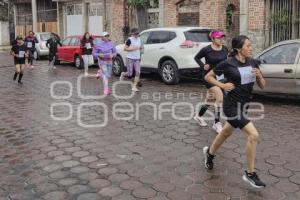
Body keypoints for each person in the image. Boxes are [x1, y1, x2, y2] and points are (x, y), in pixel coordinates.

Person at [203, 35, 266, 188]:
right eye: (248, 46)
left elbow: (263, 85)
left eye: (251, 46)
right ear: (239, 49)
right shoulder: (228, 63)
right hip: (231, 106)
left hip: (245, 105)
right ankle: (250, 173)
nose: (251, 48)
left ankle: (209, 154)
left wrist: (258, 77)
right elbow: (208, 76)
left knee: (225, 133)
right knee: (253, 135)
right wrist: (222, 86)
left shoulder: (253, 62)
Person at [194, 31, 228, 134]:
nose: (221, 40)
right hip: (208, 77)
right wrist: (203, 65)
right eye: (218, 38)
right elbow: (196, 57)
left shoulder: (225, 49)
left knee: (210, 100)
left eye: (222, 38)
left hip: (220, 77)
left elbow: (225, 63)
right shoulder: (206, 49)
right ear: (213, 39)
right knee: (219, 96)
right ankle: (216, 123)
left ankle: (198, 116)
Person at [120, 28, 144, 92]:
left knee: (138, 72)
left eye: (137, 33)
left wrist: (141, 49)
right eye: (135, 34)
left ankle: (134, 87)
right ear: (132, 34)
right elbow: (125, 49)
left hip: (137, 58)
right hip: (129, 58)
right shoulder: (129, 40)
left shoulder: (140, 39)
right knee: (130, 74)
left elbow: (141, 47)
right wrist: (133, 49)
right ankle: (123, 74)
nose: (137, 35)